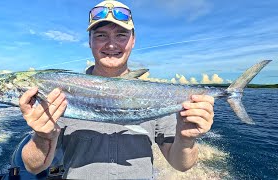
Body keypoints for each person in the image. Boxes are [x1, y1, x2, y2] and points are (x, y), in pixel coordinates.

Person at [19, 0, 214, 179]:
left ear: (133, 41)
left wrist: (186, 138)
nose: (111, 44)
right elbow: (33, 167)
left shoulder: (156, 96)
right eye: (101, 35)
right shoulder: (58, 93)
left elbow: (181, 165)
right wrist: (43, 136)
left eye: (121, 35)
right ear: (89, 41)